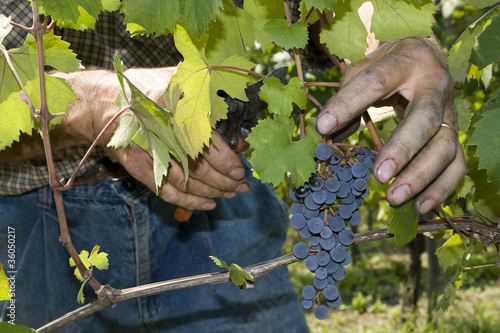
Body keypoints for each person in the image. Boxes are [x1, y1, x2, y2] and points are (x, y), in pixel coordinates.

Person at [0, 1, 465, 333]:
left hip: (219, 198)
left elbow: (348, 8)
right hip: (32, 219)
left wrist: (398, 40)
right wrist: (94, 104)